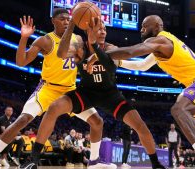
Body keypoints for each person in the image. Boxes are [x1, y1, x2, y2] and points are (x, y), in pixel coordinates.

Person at [25, 18, 166, 169]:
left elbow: (110, 68)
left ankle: (156, 164)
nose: (103, 31)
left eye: (105, 29)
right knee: (54, 108)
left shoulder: (110, 48)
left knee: (140, 125)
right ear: (89, 31)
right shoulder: (80, 48)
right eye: (99, 29)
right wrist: (71, 25)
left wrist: (95, 48)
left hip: (110, 95)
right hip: (86, 92)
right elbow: (61, 54)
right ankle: (33, 158)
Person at [0, 9, 105, 169]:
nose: (66, 22)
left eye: (68, 19)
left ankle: (94, 162)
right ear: (53, 21)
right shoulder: (45, 41)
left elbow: (80, 60)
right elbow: (21, 62)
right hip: (48, 88)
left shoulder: (77, 38)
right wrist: (24, 38)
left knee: (97, 121)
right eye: (62, 19)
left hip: (70, 90)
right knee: (22, 120)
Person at [95, 15, 195, 169]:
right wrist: (119, 62)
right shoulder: (159, 46)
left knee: (179, 109)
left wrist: (98, 52)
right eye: (141, 26)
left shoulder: (161, 39)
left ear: (157, 27)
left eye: (145, 26)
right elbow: (142, 66)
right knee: (184, 111)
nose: (141, 29)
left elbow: (131, 52)